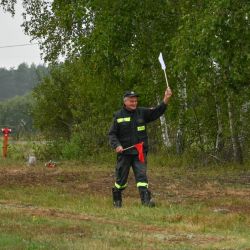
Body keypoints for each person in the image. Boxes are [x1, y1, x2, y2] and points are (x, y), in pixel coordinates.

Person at [108, 87, 172, 207]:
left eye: (135, 101)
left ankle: (146, 202)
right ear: (125, 102)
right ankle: (117, 200)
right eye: (132, 101)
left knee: (142, 177)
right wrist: (117, 145)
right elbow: (112, 134)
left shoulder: (142, 112)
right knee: (121, 180)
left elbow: (157, 112)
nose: (134, 103)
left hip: (139, 153)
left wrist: (166, 99)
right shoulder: (118, 115)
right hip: (124, 154)